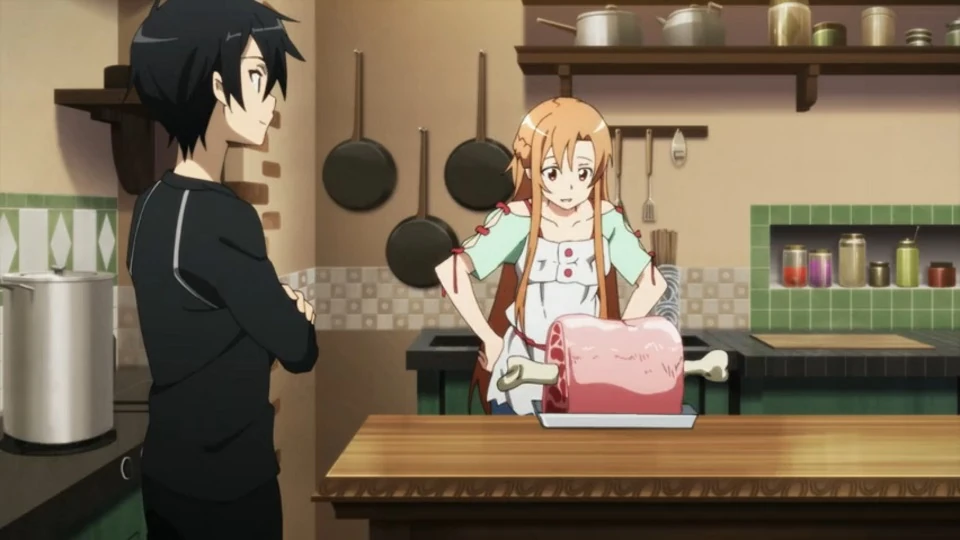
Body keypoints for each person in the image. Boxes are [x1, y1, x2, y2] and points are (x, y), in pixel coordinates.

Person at [126, 1, 315, 538]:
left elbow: (202, 327)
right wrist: (293, 314)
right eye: (256, 76)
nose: (269, 96)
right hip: (229, 484)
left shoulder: (148, 205)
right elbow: (299, 349)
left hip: (164, 473)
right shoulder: (225, 216)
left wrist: (261, 318)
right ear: (215, 84)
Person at [435, 97, 667, 416]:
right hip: (520, 370)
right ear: (531, 167)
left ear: (597, 170)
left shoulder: (607, 220)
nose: (569, 187)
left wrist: (617, 339)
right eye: (554, 172)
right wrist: (489, 338)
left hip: (586, 373)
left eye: (582, 172)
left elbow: (652, 284)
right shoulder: (518, 220)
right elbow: (451, 271)